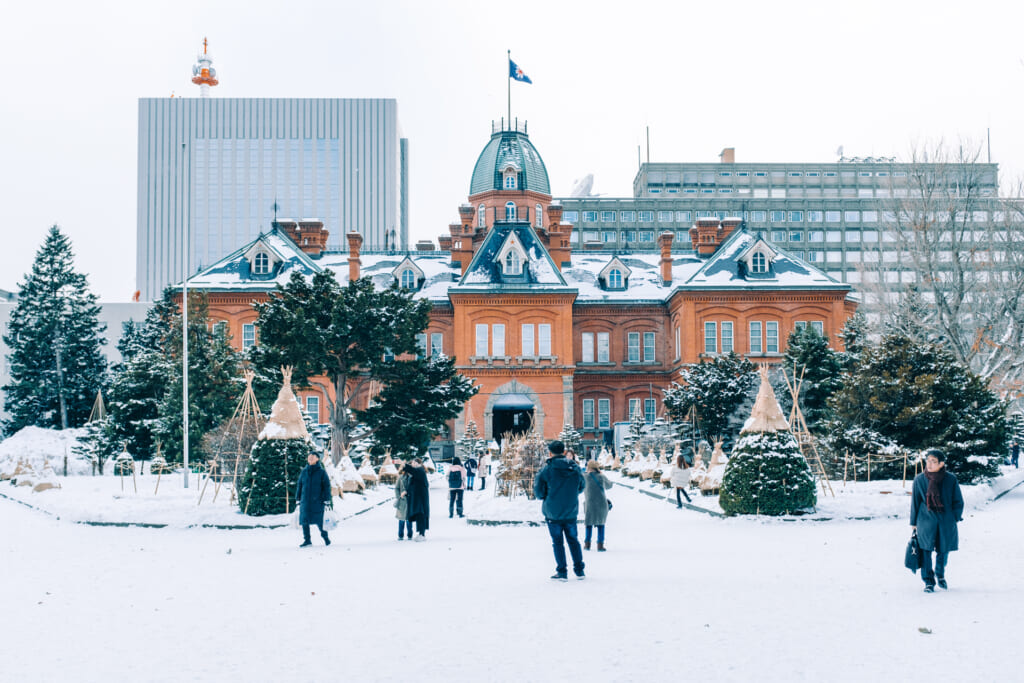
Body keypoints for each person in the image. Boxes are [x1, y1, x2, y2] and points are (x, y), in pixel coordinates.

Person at [910, 448, 965, 592]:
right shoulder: (919, 479)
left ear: (941, 464)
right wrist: (914, 522)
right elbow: (915, 502)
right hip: (925, 521)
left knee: (943, 550)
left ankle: (940, 574)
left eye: (933, 461)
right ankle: (928, 581)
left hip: (946, 520)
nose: (929, 464)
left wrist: (954, 517)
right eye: (927, 461)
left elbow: (958, 501)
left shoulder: (950, 479)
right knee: (925, 551)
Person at [534, 440, 586, 581]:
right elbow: (582, 486)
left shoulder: (546, 470)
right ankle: (579, 570)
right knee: (573, 540)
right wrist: (571, 494)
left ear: (550, 453)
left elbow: (538, 492)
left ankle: (562, 572)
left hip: (553, 512)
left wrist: (548, 496)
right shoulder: (574, 468)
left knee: (557, 542)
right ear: (563, 451)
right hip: (571, 510)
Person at [295, 451, 332, 548]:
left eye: (313, 456)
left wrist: (327, 499)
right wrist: (298, 498)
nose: (310, 458)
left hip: (317, 501)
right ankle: (307, 540)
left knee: (319, 521)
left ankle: (326, 538)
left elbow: (326, 487)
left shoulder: (321, 472)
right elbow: (300, 485)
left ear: (317, 459)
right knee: (304, 521)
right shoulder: (304, 472)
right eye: (309, 456)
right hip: (305, 501)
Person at [583, 460, 612, 551]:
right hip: (601, 503)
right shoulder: (601, 476)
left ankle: (587, 544)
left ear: (588, 467)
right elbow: (609, 485)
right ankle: (600, 545)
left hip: (589, 504)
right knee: (601, 524)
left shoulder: (585, 477)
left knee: (588, 524)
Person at [405, 457, 431, 541]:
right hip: (418, 499)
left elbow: (413, 471)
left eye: (413, 463)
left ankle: (422, 534)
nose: (412, 464)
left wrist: (403, 464)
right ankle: (420, 533)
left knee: (421, 515)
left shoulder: (420, 470)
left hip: (421, 499)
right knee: (419, 515)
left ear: (417, 463)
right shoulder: (418, 472)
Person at [394, 462, 412, 540]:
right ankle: (400, 535)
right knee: (401, 520)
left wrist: (408, 493)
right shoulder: (400, 478)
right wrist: (399, 496)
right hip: (402, 501)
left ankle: (410, 535)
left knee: (409, 520)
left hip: (410, 501)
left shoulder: (413, 478)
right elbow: (396, 488)